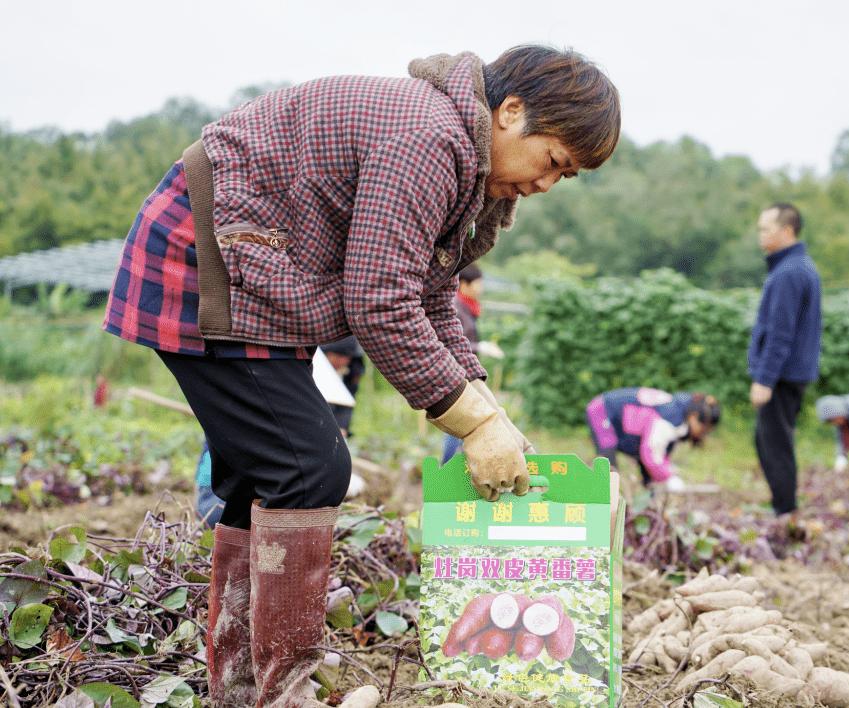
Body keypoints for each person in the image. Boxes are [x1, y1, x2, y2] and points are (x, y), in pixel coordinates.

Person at [102, 46, 621, 705]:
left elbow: (430, 295)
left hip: (259, 277)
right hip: (206, 259)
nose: (547, 184)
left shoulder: (468, 169)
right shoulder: (428, 138)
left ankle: (240, 689)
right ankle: (280, 690)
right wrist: (468, 420)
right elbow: (379, 300)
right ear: (510, 112)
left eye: (565, 177)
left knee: (254, 475)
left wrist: (487, 407)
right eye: (551, 161)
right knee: (309, 470)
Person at [195, 334, 367, 529]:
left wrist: (341, 426)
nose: (344, 363)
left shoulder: (351, 367)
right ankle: (206, 508)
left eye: (347, 359)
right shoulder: (290, 361)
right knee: (214, 457)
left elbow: (345, 404)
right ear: (328, 353)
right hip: (243, 414)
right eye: (340, 358)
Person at [748, 203, 822, 516]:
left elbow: (781, 333)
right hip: (790, 373)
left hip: (782, 376)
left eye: (766, 228)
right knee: (767, 439)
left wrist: (764, 380)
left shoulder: (789, 273)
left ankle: (785, 512)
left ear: (787, 231)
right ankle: (783, 506)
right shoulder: (794, 267)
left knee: (774, 444)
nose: (760, 235)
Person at [585, 387, 721, 491]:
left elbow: (660, 453)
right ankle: (604, 507)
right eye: (703, 429)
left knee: (647, 478)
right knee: (608, 467)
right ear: (694, 416)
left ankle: (643, 505)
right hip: (603, 411)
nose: (703, 434)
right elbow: (650, 452)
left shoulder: (679, 410)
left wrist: (666, 471)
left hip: (620, 418)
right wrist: (668, 477)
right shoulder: (670, 418)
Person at [441, 263, 506, 463]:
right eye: (478, 283)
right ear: (464, 284)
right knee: (460, 421)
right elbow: (453, 342)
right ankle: (447, 469)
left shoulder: (468, 307)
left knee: (462, 422)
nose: (481, 288)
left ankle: (449, 470)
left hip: (465, 373)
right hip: (457, 375)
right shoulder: (455, 307)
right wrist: (480, 347)